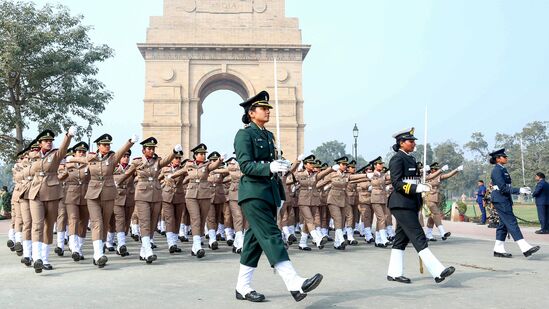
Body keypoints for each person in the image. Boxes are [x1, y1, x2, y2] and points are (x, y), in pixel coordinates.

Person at [233, 90, 322, 303]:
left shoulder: (269, 136)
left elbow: (273, 168)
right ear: (251, 113)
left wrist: (279, 172)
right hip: (253, 193)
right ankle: (294, 282)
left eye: (268, 108)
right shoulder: (244, 134)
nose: (268, 111)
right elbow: (245, 165)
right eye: (264, 108)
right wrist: (268, 166)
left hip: (269, 193)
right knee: (272, 235)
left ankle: (242, 287)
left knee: (254, 242)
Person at [386, 127, 455, 284]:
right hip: (401, 203)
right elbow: (397, 183)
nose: (414, 144)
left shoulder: (410, 158)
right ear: (401, 143)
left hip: (410, 203)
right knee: (418, 236)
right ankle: (437, 271)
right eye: (411, 141)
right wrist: (416, 188)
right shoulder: (397, 159)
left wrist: (420, 187)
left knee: (400, 240)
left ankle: (394, 273)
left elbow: (412, 179)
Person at [68, 133, 136, 268]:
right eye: (105, 144)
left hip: (108, 194)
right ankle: (98, 254)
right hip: (92, 195)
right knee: (97, 222)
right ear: (99, 146)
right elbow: (78, 159)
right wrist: (70, 158)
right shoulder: (90, 157)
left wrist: (130, 142)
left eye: (109, 144)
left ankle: (100, 247)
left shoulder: (112, 157)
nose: (107, 146)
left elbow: (122, 151)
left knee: (105, 222)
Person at [118, 137, 180, 263]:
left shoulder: (157, 161)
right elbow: (127, 174)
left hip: (156, 195)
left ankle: (143, 250)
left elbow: (167, 160)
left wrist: (174, 151)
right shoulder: (137, 162)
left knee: (152, 223)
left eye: (153, 148)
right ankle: (149, 251)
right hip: (142, 196)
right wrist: (116, 182)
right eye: (149, 148)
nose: (151, 151)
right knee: (145, 222)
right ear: (143, 150)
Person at [28, 128, 75, 273]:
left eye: (50, 141)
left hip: (52, 193)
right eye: (46, 141)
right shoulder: (34, 156)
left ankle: (45, 258)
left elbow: (63, 148)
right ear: (40, 143)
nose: (49, 143)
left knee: (48, 226)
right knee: (37, 225)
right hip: (35, 193)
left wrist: (68, 135)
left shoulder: (56, 155)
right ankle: (37, 258)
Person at [489, 148, 540, 258]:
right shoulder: (497, 170)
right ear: (498, 159)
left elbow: (507, 186)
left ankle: (498, 249)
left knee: (503, 225)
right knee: (512, 222)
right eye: (504, 156)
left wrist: (521, 190)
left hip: (504, 199)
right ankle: (524, 247)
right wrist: (519, 190)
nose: (506, 158)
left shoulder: (503, 169)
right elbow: (502, 188)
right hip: (500, 199)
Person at [184, 143, 223, 258]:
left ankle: (195, 247)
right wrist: (170, 178)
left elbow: (213, 166)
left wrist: (220, 160)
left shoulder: (207, 165)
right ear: (195, 155)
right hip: (191, 196)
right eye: (201, 154)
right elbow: (181, 172)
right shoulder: (189, 165)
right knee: (195, 218)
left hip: (205, 195)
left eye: (204, 154)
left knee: (201, 219)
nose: (203, 156)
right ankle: (198, 245)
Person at [424, 162, 463, 241]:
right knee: (436, 213)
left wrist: (457, 170)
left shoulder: (438, 176)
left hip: (437, 198)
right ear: (431, 170)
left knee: (432, 216)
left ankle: (428, 234)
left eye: (437, 169)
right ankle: (442, 232)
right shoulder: (426, 176)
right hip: (428, 198)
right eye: (435, 169)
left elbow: (448, 175)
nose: (437, 170)